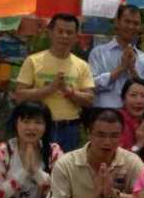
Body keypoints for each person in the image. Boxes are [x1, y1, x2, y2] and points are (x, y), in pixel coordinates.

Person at [14, 14, 94, 151]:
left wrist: (68, 91)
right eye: (60, 31)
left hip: (70, 129)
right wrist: (50, 89)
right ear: (50, 33)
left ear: (76, 37)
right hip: (39, 128)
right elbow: (19, 96)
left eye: (69, 32)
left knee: (68, 165)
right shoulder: (33, 61)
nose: (64, 36)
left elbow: (90, 100)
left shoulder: (82, 65)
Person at [88, 5, 144, 109]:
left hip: (134, 115)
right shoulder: (98, 53)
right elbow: (91, 86)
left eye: (136, 23)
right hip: (105, 114)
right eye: (127, 21)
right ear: (117, 22)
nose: (131, 27)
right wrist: (121, 68)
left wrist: (132, 69)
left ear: (140, 27)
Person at [119, 78, 144, 162]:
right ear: (123, 99)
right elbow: (120, 161)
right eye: (133, 95)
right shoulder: (116, 122)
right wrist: (139, 144)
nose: (139, 101)